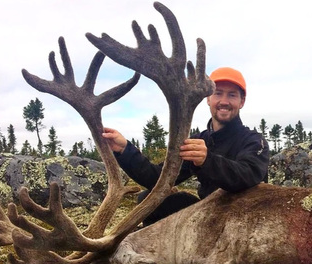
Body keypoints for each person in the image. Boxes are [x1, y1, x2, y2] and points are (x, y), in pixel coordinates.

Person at [102, 67, 270, 225]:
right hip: (208, 215)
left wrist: (207, 161)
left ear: (242, 102)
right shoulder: (198, 141)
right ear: (208, 99)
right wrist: (124, 150)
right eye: (218, 94)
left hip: (244, 219)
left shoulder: (254, 141)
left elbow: (248, 176)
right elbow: (159, 179)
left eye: (232, 95)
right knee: (150, 200)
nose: (224, 101)